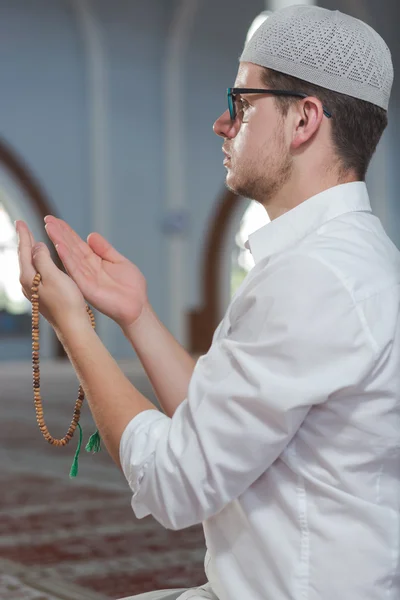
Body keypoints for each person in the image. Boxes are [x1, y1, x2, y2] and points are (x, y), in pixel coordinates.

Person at [17, 5, 399, 600]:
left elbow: (176, 482)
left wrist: (73, 326)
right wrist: (135, 315)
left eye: (243, 104)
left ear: (303, 120)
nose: (223, 123)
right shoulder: (350, 257)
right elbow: (218, 419)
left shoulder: (313, 276)